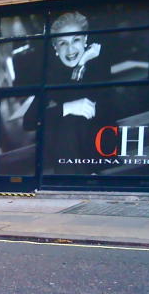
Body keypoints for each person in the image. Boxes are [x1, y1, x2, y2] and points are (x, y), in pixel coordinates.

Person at [23, 11, 109, 173]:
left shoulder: (99, 68)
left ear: (86, 40)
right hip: (67, 167)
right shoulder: (53, 79)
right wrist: (67, 108)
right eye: (62, 43)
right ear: (55, 48)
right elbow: (29, 121)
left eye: (76, 40)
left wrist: (81, 63)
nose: (70, 49)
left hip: (99, 162)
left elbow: (93, 110)